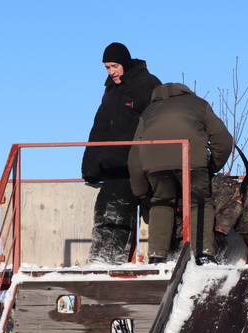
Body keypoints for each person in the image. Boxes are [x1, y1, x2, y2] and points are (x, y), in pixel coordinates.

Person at [127, 82, 233, 265]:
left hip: (155, 164)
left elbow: (134, 156)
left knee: (161, 202)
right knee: (200, 202)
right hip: (191, 160)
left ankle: (156, 257)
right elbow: (224, 141)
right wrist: (211, 166)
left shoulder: (149, 111)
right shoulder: (198, 104)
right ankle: (204, 254)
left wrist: (141, 192)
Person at [82, 42, 161, 265]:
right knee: (105, 209)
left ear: (125, 63)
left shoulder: (148, 84)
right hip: (114, 165)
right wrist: (90, 167)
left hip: (139, 162)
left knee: (144, 208)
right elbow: (99, 126)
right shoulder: (110, 90)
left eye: (115, 66)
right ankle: (101, 261)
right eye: (107, 67)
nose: (111, 72)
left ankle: (114, 261)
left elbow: (158, 122)